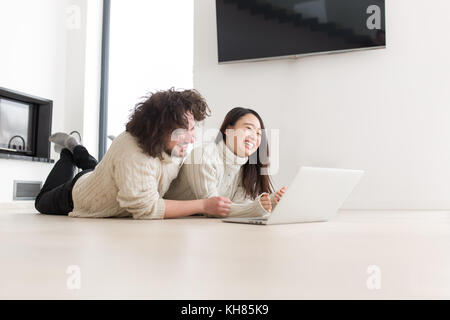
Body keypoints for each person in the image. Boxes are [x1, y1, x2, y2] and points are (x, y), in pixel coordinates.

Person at [35, 88, 233, 219]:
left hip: (105, 177)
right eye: (183, 130)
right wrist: (204, 206)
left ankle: (78, 148)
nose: (191, 139)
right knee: (41, 202)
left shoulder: (174, 148)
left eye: (192, 130)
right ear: (159, 127)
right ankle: (69, 151)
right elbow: (146, 208)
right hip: (76, 193)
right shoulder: (132, 153)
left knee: (95, 169)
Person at [165, 107, 287, 218]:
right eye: (249, 128)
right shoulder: (203, 155)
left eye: (259, 133)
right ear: (228, 130)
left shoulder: (245, 167)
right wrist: (255, 208)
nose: (254, 137)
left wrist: (271, 202)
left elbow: (240, 205)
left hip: (199, 225)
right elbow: (212, 208)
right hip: (168, 224)